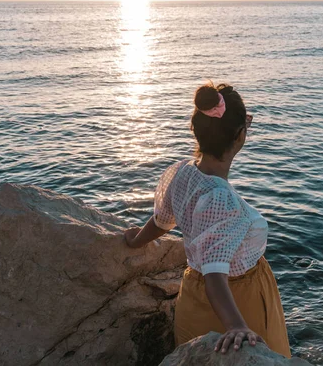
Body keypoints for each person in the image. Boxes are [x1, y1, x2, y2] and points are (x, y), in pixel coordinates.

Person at [123, 82, 291, 357]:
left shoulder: (182, 173)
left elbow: (162, 221)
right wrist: (237, 326)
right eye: (246, 123)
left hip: (193, 296)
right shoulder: (221, 200)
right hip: (238, 299)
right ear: (240, 136)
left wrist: (135, 240)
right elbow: (215, 274)